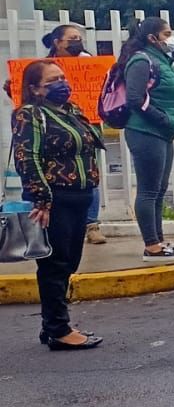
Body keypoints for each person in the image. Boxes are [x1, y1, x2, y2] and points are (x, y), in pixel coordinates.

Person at [13, 60, 104, 350]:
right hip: (55, 200)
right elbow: (28, 157)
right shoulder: (30, 115)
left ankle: (52, 324)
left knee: (68, 262)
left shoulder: (71, 111)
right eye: (52, 80)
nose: (61, 83)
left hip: (80, 196)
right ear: (35, 88)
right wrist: (42, 198)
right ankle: (58, 329)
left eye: (62, 77)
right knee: (55, 264)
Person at [115, 16, 174, 263]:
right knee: (148, 190)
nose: (171, 38)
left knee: (158, 190)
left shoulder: (162, 60)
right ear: (152, 38)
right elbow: (135, 99)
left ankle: (159, 240)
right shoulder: (141, 60)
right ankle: (152, 246)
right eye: (167, 34)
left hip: (162, 133)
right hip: (146, 132)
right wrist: (163, 119)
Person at [43, 24, 105, 246]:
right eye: (72, 38)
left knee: (89, 173)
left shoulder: (89, 62)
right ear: (57, 42)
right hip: (55, 127)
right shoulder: (45, 67)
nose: (77, 41)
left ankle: (91, 225)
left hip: (84, 123)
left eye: (79, 38)